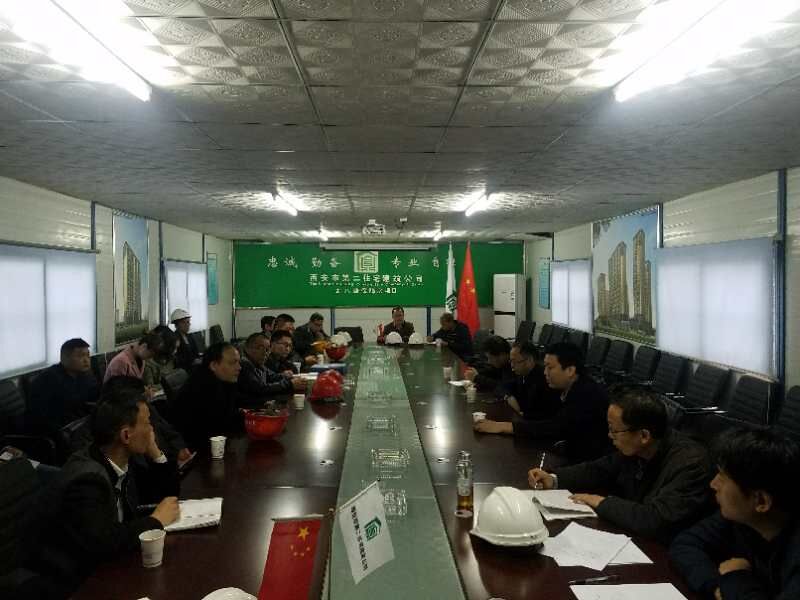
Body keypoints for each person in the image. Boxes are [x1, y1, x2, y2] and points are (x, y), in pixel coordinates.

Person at [37, 386, 180, 592]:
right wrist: (155, 521)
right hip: (80, 580)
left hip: (113, 563)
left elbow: (167, 498)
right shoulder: (87, 481)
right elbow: (103, 542)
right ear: (126, 435)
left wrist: (156, 453)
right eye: (147, 423)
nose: (152, 429)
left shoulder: (121, 458)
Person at [528, 386, 712, 542]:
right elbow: (599, 469)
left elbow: (656, 520)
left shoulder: (690, 463)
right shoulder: (637, 448)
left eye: (615, 430)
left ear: (644, 435)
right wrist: (554, 479)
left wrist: (602, 502)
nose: (610, 436)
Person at [670, 428, 800, 600]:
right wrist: (717, 586)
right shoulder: (741, 516)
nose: (713, 484)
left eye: (723, 477)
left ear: (761, 501)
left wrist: (735, 577)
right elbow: (686, 543)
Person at [515, 342, 610, 461]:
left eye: (550, 367)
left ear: (570, 370)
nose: (545, 372)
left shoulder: (587, 395)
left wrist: (508, 427)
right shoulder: (565, 387)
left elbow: (556, 427)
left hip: (589, 461)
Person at [473, 341, 561, 435]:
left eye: (515, 361)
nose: (512, 365)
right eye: (510, 361)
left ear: (529, 360)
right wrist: (508, 396)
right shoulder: (522, 374)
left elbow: (546, 419)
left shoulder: (545, 380)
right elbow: (502, 386)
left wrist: (520, 416)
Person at [173, 342, 243, 452]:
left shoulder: (220, 379)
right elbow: (223, 424)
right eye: (232, 363)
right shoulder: (203, 386)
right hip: (199, 450)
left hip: (211, 443)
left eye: (239, 362)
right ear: (214, 365)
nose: (239, 367)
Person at [26, 338, 99, 436]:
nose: (86, 360)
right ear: (64, 358)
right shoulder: (49, 379)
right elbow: (41, 417)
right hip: (52, 432)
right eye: (80, 356)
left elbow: (93, 397)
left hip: (76, 426)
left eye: (88, 355)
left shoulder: (83, 375)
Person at [238, 333, 305, 407]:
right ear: (247, 348)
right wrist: (289, 384)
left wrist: (288, 377)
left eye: (267, 350)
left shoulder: (258, 364)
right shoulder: (244, 364)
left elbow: (273, 376)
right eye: (259, 348)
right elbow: (261, 389)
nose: (264, 353)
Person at [142, 325, 178, 391]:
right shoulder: (148, 365)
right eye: (174, 348)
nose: (176, 351)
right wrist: (170, 382)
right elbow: (150, 388)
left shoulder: (171, 358)